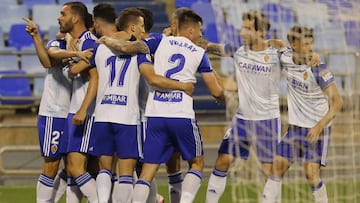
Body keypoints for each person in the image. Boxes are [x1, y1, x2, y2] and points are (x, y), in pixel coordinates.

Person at [131, 9, 224, 203]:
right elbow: (215, 90)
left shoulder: (158, 41)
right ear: (190, 31)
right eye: (199, 30)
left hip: (155, 115)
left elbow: (133, 47)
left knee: (146, 173)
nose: (200, 35)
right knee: (197, 164)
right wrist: (225, 96)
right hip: (182, 115)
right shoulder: (199, 52)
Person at [205, 10, 282, 203]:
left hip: (267, 121)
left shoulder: (276, 55)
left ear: (260, 32)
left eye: (247, 29)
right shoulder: (238, 50)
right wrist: (185, 37)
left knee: (268, 171)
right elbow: (210, 47)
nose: (242, 32)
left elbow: (300, 59)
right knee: (223, 160)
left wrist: (307, 55)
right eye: (242, 27)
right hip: (242, 120)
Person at [261, 26, 343, 203]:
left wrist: (319, 126)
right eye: (305, 43)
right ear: (295, 45)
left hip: (318, 129)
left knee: (311, 173)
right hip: (296, 128)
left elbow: (338, 102)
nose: (310, 47)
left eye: (311, 43)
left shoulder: (319, 68)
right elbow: (280, 44)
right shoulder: (286, 57)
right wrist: (265, 43)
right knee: (277, 168)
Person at [57, 2, 99, 202]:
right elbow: (72, 71)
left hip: (85, 111)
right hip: (76, 109)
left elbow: (95, 77)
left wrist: (83, 110)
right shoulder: (76, 42)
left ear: (75, 18)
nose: (59, 18)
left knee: (75, 167)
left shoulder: (89, 41)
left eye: (63, 14)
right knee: (76, 170)